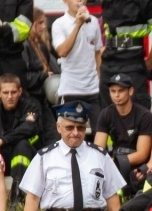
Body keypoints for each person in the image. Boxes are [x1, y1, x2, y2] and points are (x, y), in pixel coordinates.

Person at [0, 74, 44, 211]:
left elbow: (28, 128)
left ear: (20, 91)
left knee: (22, 145)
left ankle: (17, 198)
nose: (9, 96)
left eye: (13, 92)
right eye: (5, 92)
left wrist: (2, 140)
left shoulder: (30, 107)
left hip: (26, 160)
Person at [93, 73, 152, 199]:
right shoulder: (106, 114)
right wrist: (109, 163)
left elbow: (142, 154)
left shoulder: (145, 116)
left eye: (120, 91)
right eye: (113, 91)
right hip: (114, 162)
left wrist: (115, 162)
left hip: (137, 167)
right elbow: (98, 150)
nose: (116, 95)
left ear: (130, 91)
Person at [99, 0, 152, 110]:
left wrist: (151, 61)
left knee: (138, 112)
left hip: (133, 63)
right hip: (109, 63)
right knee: (106, 113)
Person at [52, 0, 104, 134]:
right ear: (65, 1)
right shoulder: (59, 23)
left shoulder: (94, 22)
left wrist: (100, 79)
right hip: (71, 89)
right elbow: (62, 51)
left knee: (100, 132)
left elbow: (97, 53)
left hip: (93, 89)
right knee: (72, 134)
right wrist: (78, 24)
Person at [22, 7, 60, 146]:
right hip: (31, 100)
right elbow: (23, 77)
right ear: (31, 24)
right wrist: (43, 76)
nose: (44, 27)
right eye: (40, 23)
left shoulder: (40, 45)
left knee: (52, 136)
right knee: (39, 138)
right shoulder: (24, 46)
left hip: (42, 98)